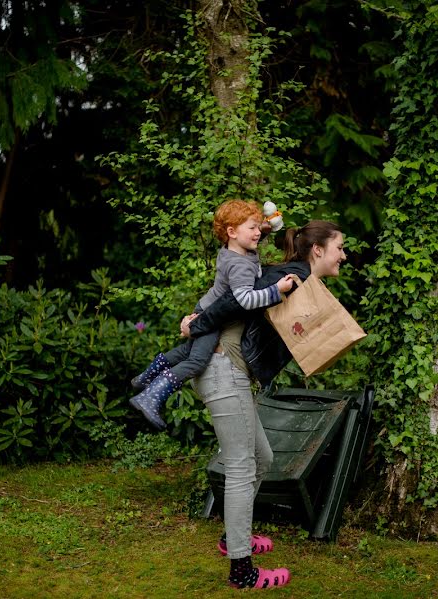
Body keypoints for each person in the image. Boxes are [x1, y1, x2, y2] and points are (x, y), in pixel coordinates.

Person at [180, 220, 347, 589]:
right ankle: (242, 571)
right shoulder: (291, 276)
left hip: (233, 370)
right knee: (242, 466)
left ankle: (232, 538)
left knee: (263, 458)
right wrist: (196, 324)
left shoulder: (302, 280)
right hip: (223, 367)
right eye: (339, 247)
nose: (344, 255)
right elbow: (233, 299)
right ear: (318, 250)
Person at [128, 199, 295, 430]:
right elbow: (245, 300)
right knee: (197, 361)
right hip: (212, 317)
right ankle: (150, 396)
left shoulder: (234, 248)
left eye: (258, 227)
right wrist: (276, 290)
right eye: (253, 228)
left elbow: (250, 237)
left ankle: (146, 377)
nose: (257, 233)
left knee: (187, 350)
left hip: (208, 309)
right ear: (232, 232)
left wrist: (265, 227)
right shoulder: (239, 265)